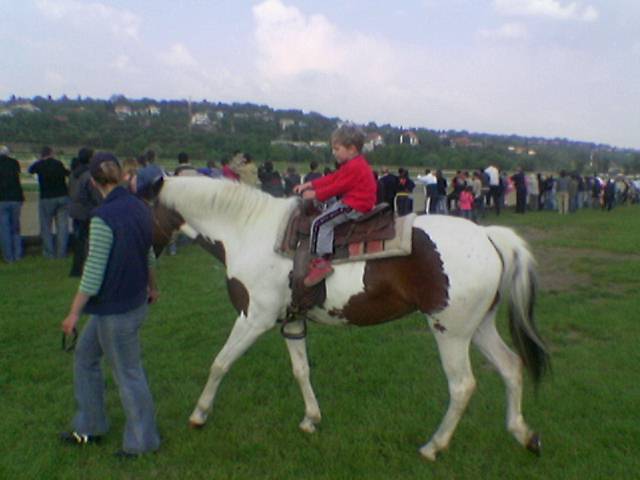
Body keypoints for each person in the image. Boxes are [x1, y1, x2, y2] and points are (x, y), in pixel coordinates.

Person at [59, 152, 160, 458]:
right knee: (85, 356)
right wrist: (153, 286)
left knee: (128, 373)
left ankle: (143, 442)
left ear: (93, 182)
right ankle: (90, 425)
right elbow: (149, 254)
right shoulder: (140, 207)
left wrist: (73, 313)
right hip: (126, 304)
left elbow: (93, 272)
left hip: (117, 310)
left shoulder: (103, 217)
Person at [293, 125, 377, 287]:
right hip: (355, 201)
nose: (334, 152)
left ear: (351, 149)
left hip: (355, 205)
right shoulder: (353, 164)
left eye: (337, 149)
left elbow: (337, 187)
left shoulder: (354, 167)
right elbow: (333, 178)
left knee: (320, 223)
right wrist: (310, 184)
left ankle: (322, 262)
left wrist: (315, 194)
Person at [28, 146, 71, 258]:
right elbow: (67, 173)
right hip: (62, 196)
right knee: (62, 226)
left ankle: (49, 253)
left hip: (46, 197)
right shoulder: (58, 163)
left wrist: (39, 160)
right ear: (51, 153)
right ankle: (61, 252)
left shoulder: (39, 165)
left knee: (46, 226)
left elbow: (30, 170)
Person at [68, 147, 101, 277]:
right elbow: (94, 194)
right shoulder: (89, 175)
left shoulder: (73, 173)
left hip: (75, 209)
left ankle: (77, 268)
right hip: (87, 211)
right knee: (88, 241)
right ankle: (85, 267)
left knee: (79, 240)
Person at [0, 145, 24, 263]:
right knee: (15, 228)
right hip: (16, 198)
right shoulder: (14, 162)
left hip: (2, 199)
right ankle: (18, 254)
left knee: (4, 230)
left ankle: (8, 257)